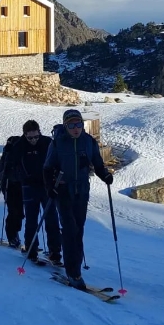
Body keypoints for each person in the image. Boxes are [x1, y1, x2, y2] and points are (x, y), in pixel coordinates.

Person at [43, 108, 113, 288]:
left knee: (79, 229)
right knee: (70, 229)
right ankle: (73, 272)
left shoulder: (88, 141)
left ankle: (76, 269)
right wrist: (50, 187)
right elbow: (47, 168)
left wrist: (105, 175)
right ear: (65, 126)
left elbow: (97, 163)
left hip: (82, 191)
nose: (76, 128)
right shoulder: (57, 143)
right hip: (63, 191)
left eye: (79, 124)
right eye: (71, 125)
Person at [13, 119, 62, 264]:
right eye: (30, 138)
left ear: (39, 132)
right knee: (31, 219)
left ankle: (55, 252)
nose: (34, 140)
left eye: (36, 136)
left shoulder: (47, 142)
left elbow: (56, 160)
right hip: (29, 186)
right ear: (25, 135)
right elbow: (14, 165)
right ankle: (31, 249)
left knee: (52, 218)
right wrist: (22, 177)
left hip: (47, 186)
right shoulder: (20, 145)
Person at [0, 135, 24, 247]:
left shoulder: (21, 156)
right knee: (13, 211)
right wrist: (7, 170)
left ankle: (15, 233)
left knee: (20, 213)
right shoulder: (6, 156)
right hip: (9, 186)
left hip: (20, 186)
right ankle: (12, 236)